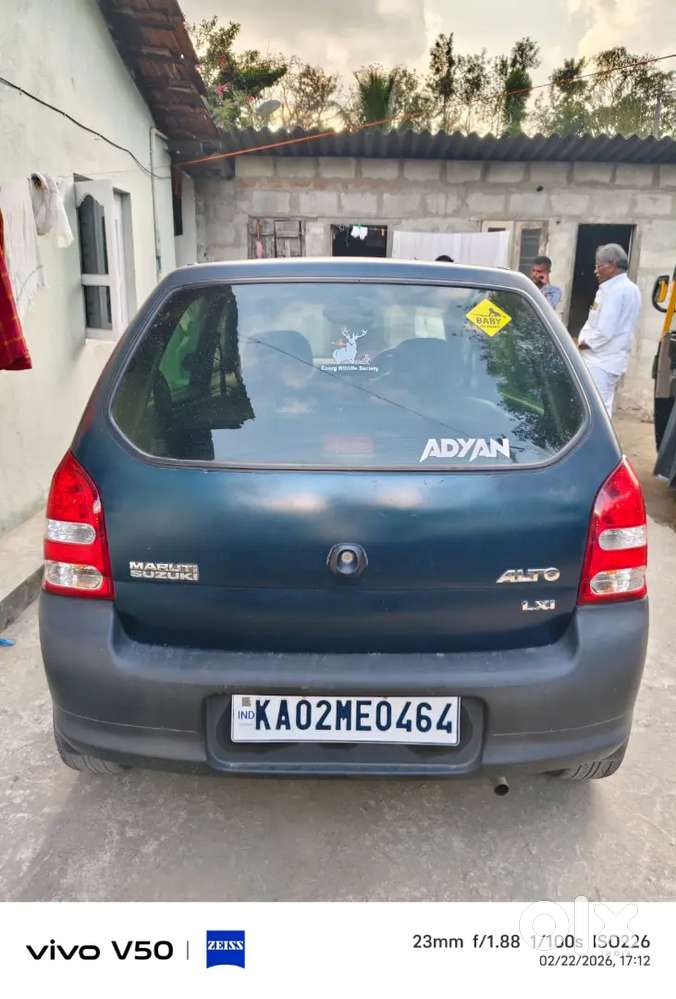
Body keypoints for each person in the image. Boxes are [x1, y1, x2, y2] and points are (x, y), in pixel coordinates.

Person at [577, 243, 641, 417]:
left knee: (595, 409)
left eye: (599, 266)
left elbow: (605, 331)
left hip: (600, 360)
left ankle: (599, 443)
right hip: (611, 359)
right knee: (604, 404)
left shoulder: (614, 291)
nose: (596, 271)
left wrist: (583, 344)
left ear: (612, 266)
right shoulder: (631, 288)